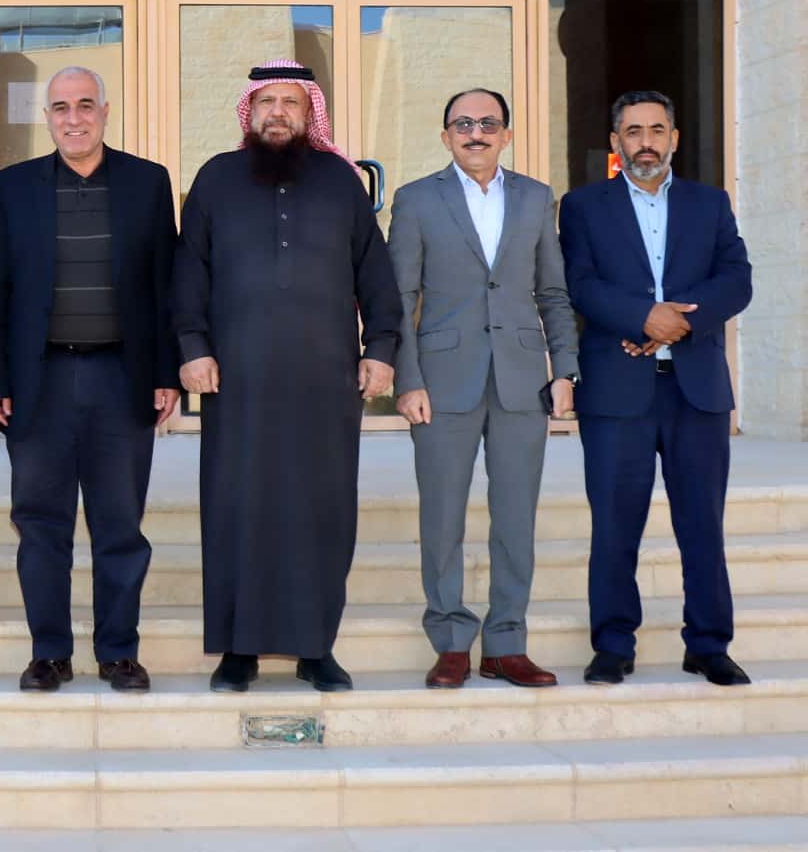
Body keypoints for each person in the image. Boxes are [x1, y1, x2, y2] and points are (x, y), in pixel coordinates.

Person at [173, 58, 401, 694]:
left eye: (291, 102)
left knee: (320, 509)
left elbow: (375, 273)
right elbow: (189, 271)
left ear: (309, 113)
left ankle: (314, 647)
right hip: (236, 379)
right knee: (236, 507)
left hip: (325, 378)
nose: (277, 112)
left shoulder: (341, 181)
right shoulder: (216, 178)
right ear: (249, 111)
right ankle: (237, 649)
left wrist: (381, 348)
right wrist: (192, 347)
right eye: (266, 101)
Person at [0, 66, 180, 694]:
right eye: (61, 107)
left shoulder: (148, 183)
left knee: (120, 524)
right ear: (47, 118)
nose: (74, 118)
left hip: (122, 378)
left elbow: (166, 287)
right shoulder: (11, 189)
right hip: (38, 382)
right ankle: (50, 653)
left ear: (105, 112)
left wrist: (167, 372)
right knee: (42, 524)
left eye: (85, 105)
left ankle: (119, 652)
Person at [558, 90, 753, 687]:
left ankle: (709, 644)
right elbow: (579, 283)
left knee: (702, 525)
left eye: (657, 130)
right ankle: (613, 644)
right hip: (616, 392)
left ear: (674, 138)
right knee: (615, 526)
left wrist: (679, 322)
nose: (646, 142)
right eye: (634, 131)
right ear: (615, 141)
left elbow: (737, 279)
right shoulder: (582, 207)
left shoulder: (709, 203)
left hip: (697, 392)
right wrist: (644, 318)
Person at [387, 88, 579, 690]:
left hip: (523, 379)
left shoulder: (536, 198)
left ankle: (505, 644)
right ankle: (449, 640)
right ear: (446, 135)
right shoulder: (416, 199)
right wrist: (407, 379)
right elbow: (400, 299)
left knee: (515, 518)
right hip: (442, 382)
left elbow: (553, 292)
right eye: (464, 123)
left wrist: (565, 369)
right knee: (442, 516)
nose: (476, 133)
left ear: (507, 135)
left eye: (489, 123)